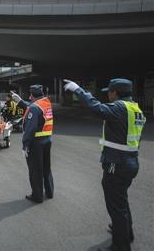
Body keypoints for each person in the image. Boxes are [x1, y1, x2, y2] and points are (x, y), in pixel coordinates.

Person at [63, 78, 146, 251]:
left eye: (109, 91)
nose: (108, 94)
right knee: (121, 201)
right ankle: (125, 232)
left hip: (117, 163)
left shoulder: (119, 108)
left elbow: (95, 107)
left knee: (116, 206)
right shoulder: (135, 108)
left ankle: (120, 245)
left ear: (115, 92)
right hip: (130, 161)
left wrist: (79, 90)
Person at [11, 85, 54, 203]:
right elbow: (33, 108)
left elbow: (30, 129)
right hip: (47, 140)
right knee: (46, 168)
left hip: (36, 144)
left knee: (35, 170)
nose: (29, 97)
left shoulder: (34, 108)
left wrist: (25, 145)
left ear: (34, 96)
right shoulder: (46, 103)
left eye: (30, 95)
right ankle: (49, 192)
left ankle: (37, 196)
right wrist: (19, 101)